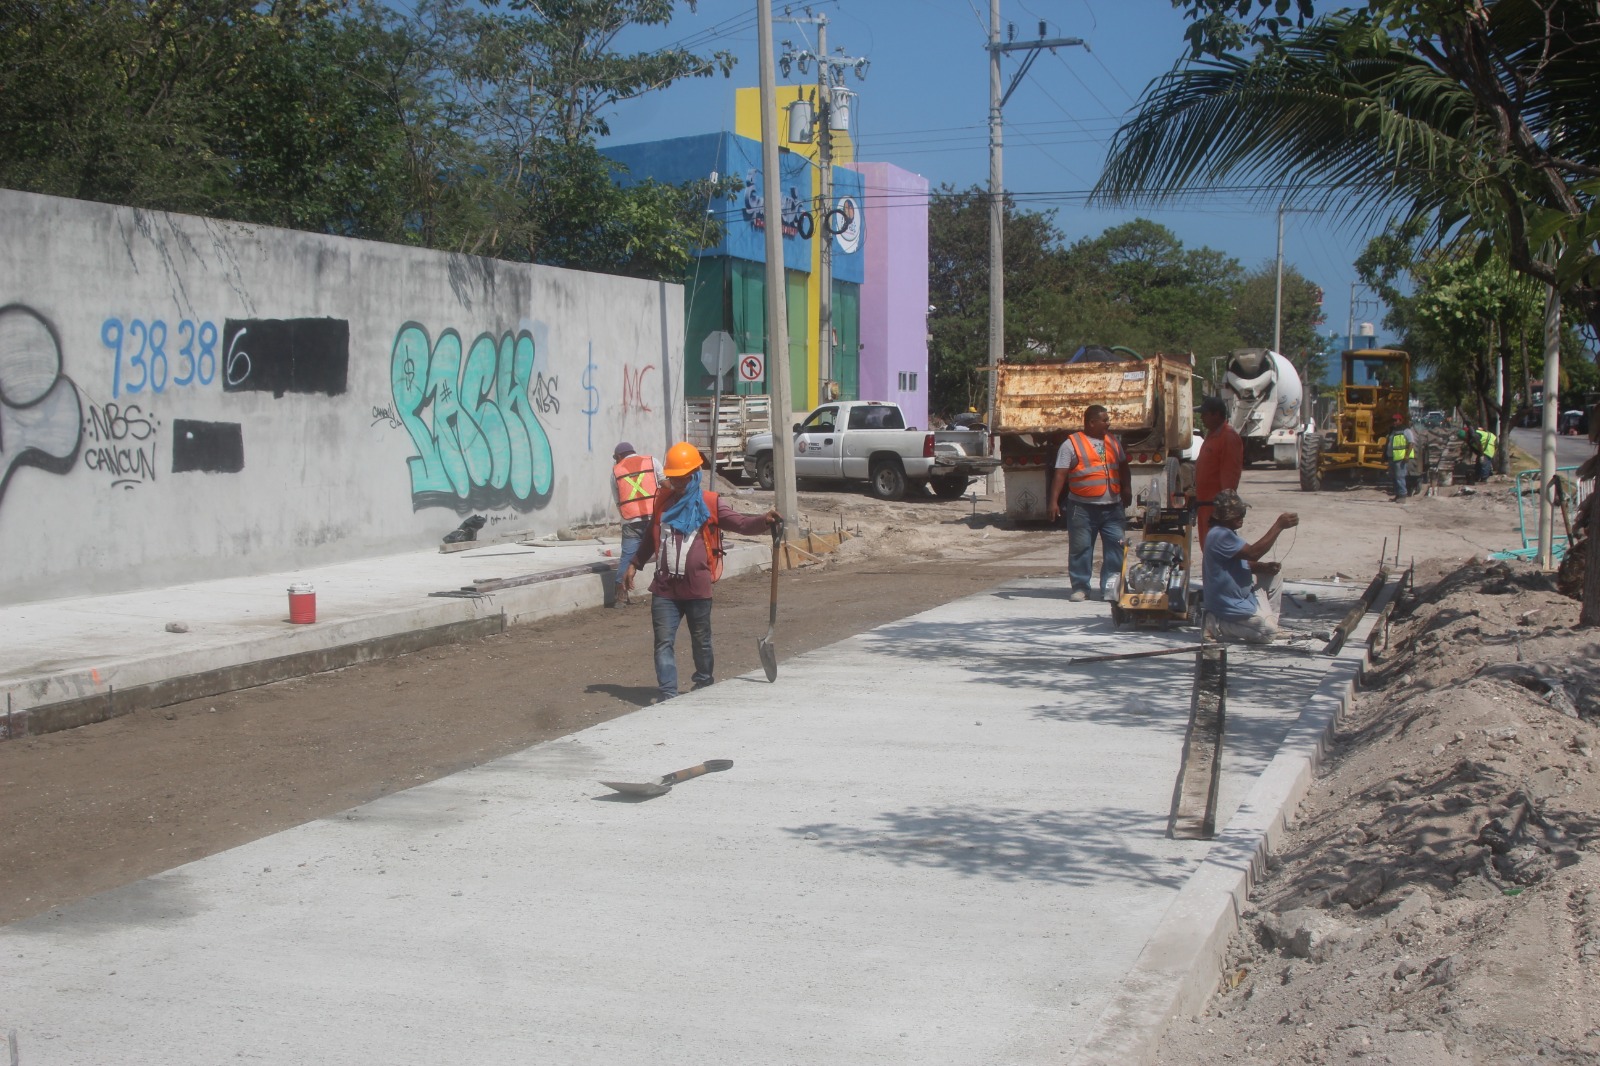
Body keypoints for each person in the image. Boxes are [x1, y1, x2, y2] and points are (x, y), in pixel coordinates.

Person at [623, 441, 779, 702]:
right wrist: (634, 563)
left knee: (702, 641)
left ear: (695, 474)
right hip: (664, 588)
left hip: (697, 587)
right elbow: (651, 539)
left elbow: (740, 523)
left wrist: (764, 520)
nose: (678, 484)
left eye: (683, 478)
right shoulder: (662, 502)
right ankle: (668, 695)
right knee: (663, 642)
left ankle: (704, 684)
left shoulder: (709, 503)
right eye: (674, 479)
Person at [1047, 405, 1132, 601]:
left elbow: (1123, 466)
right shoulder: (1071, 444)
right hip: (1082, 508)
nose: (1108, 423)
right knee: (1081, 548)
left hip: (1112, 507)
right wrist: (1053, 502)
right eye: (1104, 420)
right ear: (1091, 422)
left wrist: (1127, 489)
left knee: (1116, 547)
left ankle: (1111, 587)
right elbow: (1060, 474)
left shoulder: (1113, 442)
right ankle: (1080, 587)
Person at [1202, 489, 1300, 644]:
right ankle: (1216, 624)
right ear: (1223, 517)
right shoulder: (1219, 535)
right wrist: (1278, 526)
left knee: (1274, 576)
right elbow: (1252, 553)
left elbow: (1241, 562)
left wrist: (1263, 567)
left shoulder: (1228, 533)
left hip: (1244, 598)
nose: (1241, 517)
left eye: (1242, 513)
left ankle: (1272, 624)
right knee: (1268, 635)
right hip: (1228, 606)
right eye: (1236, 514)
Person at [610, 442, 662, 607]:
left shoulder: (616, 471)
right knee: (662, 553)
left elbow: (618, 499)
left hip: (631, 520)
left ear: (619, 456)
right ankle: (665, 591)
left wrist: (626, 517)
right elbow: (664, 482)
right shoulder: (652, 461)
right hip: (654, 517)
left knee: (627, 556)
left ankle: (620, 597)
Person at [1194, 395, 1243, 548]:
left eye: (1205, 414)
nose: (1201, 418)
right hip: (1205, 505)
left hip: (1216, 508)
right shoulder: (1212, 435)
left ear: (1216, 414)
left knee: (1217, 548)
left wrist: (1224, 509)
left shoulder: (1228, 437)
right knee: (1208, 547)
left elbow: (1230, 476)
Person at [1383, 413, 1416, 501]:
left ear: (1401, 421)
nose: (1394, 422)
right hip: (1392, 457)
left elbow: (1411, 443)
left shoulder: (1406, 431)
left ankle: (1402, 495)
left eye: (1396, 420)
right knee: (1393, 477)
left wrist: (1407, 455)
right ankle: (1398, 495)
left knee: (1400, 477)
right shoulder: (1393, 431)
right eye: (1393, 420)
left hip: (1400, 458)